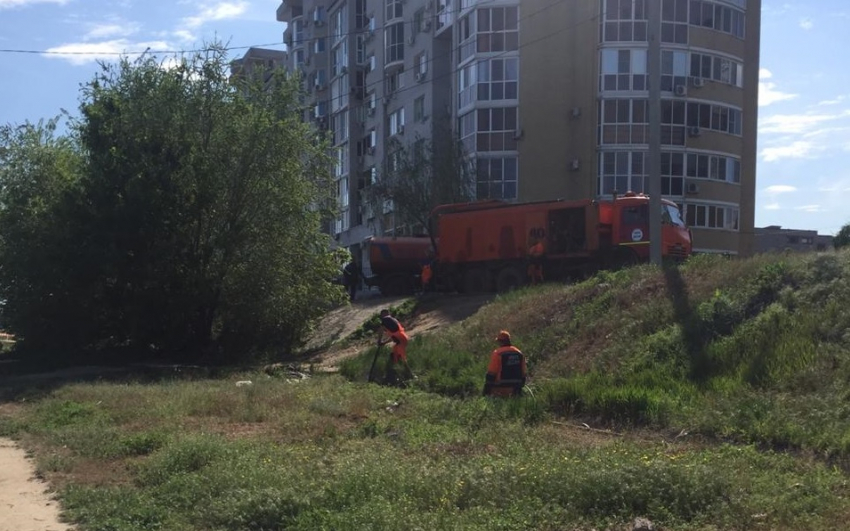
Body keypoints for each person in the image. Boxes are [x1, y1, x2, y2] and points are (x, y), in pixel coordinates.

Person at [483, 330, 527, 397]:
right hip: (516, 389)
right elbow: (523, 374)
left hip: (501, 387)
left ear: (500, 342)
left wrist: (486, 389)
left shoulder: (497, 353)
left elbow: (491, 374)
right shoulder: (519, 353)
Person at [378, 309, 414, 384]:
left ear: (385, 314)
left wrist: (379, 340)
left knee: (403, 359)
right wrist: (384, 342)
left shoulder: (386, 319)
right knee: (394, 356)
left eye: (382, 315)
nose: (381, 317)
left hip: (401, 341)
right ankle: (394, 374)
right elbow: (393, 336)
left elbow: (381, 330)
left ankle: (411, 375)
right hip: (401, 340)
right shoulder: (393, 322)